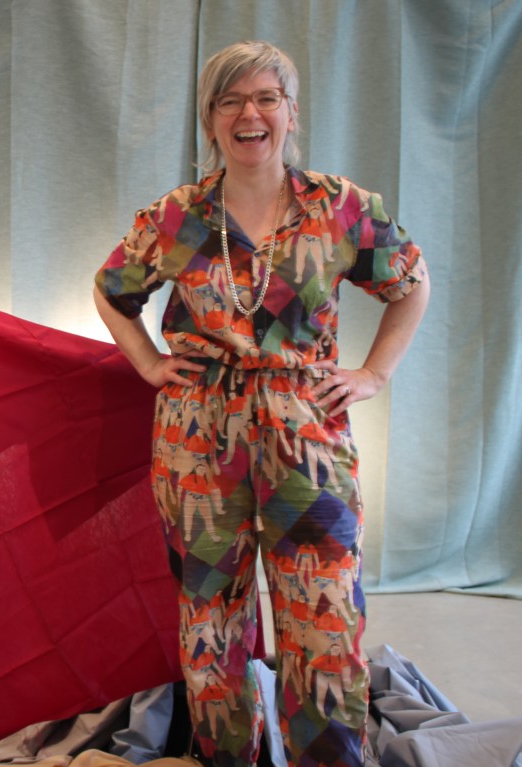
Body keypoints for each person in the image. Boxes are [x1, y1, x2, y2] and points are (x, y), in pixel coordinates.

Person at [93, 40, 429, 767]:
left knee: (325, 618)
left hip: (307, 441)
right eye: (230, 101)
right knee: (212, 625)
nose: (250, 114)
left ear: (290, 112)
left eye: (265, 98)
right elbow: (113, 290)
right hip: (198, 444)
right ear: (210, 120)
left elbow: (410, 283)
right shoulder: (176, 218)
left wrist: (373, 372)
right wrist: (150, 360)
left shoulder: (341, 209)